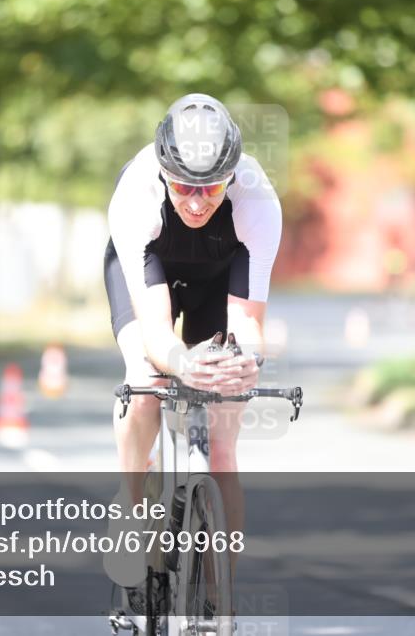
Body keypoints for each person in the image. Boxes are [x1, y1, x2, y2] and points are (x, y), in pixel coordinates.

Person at [103, 94, 282, 589]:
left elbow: (247, 323)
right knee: (145, 382)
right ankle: (131, 502)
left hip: (220, 275)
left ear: (232, 176)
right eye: (184, 186)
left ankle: (220, 595)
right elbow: (158, 336)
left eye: (212, 187)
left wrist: (246, 361)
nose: (198, 201)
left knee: (222, 443)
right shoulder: (137, 195)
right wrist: (181, 362)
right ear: (164, 173)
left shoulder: (257, 200)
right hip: (150, 267)